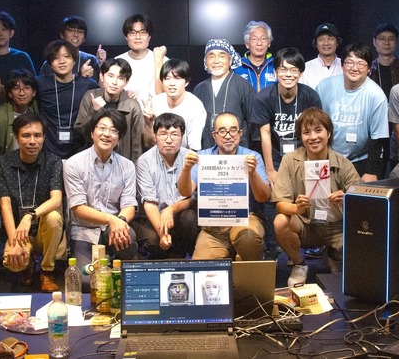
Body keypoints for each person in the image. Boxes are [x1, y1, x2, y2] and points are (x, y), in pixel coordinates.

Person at [271, 107, 361, 287]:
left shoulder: (343, 163)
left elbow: (363, 202)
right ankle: (299, 264)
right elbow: (281, 204)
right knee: (280, 221)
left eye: (318, 130)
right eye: (306, 132)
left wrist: (346, 199)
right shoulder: (290, 160)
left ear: (329, 133)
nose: (313, 137)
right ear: (300, 136)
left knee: (356, 271)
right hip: (307, 225)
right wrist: (296, 208)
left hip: (337, 227)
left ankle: (334, 254)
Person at [177, 112, 271, 261]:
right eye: (222, 131)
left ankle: (248, 259)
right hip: (213, 227)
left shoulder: (252, 157)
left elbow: (263, 197)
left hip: (246, 219)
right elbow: (185, 191)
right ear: (214, 135)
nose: (228, 136)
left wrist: (253, 173)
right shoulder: (203, 157)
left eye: (233, 130)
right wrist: (186, 169)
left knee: (248, 238)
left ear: (240, 133)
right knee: (203, 269)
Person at [0, 114, 66, 292]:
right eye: (26, 135)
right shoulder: (3, 163)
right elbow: (5, 205)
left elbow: (56, 200)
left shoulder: (53, 161)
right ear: (16, 138)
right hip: (18, 232)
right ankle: (27, 265)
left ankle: (47, 272)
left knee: (54, 217)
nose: (32, 141)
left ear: (44, 137)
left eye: (37, 135)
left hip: (43, 230)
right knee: (14, 263)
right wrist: (14, 242)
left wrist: (29, 216)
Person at [63, 108, 139, 283]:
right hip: (84, 230)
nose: (107, 134)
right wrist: (111, 219)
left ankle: (118, 260)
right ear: (92, 133)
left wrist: (120, 222)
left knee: (129, 237)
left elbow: (129, 205)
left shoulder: (127, 166)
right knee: (85, 282)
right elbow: (78, 208)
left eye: (113, 131)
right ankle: (107, 263)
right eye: (102, 128)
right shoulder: (74, 164)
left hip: (113, 230)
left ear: (119, 138)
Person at [316, 43, 389, 182]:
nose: (354, 68)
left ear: (369, 68)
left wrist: (371, 171)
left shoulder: (376, 95)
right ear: (342, 65)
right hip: (327, 157)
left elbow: (378, 137)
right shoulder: (324, 86)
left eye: (361, 64)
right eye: (349, 62)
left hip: (361, 160)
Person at [249, 47, 322, 187]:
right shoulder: (263, 98)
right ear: (275, 72)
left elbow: (315, 134)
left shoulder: (310, 96)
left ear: (300, 73)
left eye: (294, 70)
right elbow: (265, 135)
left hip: (304, 154)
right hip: (276, 156)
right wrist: (270, 170)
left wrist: (313, 163)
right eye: (283, 69)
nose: (288, 74)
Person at [133, 113, 199, 259]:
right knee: (154, 240)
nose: (169, 140)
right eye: (163, 134)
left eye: (174, 134)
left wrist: (171, 209)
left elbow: (192, 199)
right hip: (152, 216)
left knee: (190, 219)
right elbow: (149, 202)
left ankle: (180, 256)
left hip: (179, 214)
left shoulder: (190, 157)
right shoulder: (144, 161)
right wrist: (162, 234)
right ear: (155, 136)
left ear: (182, 136)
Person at [37, 39, 98, 159]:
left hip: (79, 150)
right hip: (49, 151)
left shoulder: (87, 84)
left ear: (74, 61)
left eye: (67, 56)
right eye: (56, 58)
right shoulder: (42, 83)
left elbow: (107, 95)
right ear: (50, 63)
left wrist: (127, 95)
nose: (62, 61)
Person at [75, 58, 144, 163]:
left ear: (126, 82)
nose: (114, 82)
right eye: (110, 76)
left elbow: (137, 144)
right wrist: (94, 111)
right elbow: (81, 131)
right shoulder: (90, 97)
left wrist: (134, 168)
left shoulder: (132, 106)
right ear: (101, 76)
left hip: (122, 162)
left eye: (120, 78)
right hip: (92, 161)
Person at [192, 39, 256, 150]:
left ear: (230, 60)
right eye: (211, 57)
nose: (216, 61)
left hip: (237, 151)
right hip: (207, 150)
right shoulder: (199, 88)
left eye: (222, 56)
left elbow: (253, 123)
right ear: (205, 61)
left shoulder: (243, 85)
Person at [150, 59, 207, 151]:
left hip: (183, 156)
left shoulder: (195, 107)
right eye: (167, 78)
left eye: (177, 78)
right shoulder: (155, 102)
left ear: (187, 82)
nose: (172, 83)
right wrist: (148, 123)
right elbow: (149, 144)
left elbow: (193, 148)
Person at [0, 69, 39, 160]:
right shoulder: (0, 117)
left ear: (34, 92)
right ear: (9, 93)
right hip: (7, 166)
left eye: (27, 88)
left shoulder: (36, 109)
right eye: (16, 88)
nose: (22, 93)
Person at [114, 14, 168, 107]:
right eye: (132, 33)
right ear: (126, 37)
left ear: (149, 36)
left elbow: (167, 95)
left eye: (143, 32)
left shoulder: (162, 60)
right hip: (124, 112)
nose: (138, 37)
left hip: (155, 112)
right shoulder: (117, 62)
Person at [39, 15, 106, 81]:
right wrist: (80, 75)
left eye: (80, 31)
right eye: (71, 30)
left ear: (84, 39)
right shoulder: (51, 61)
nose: (76, 35)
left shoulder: (91, 60)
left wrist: (101, 64)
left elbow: (99, 85)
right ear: (62, 35)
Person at [368, 23, 399, 102]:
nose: (386, 43)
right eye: (382, 39)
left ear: (397, 42)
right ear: (374, 42)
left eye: (391, 39)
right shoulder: (368, 70)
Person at [234, 20, 276, 91]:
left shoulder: (277, 65)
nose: (259, 43)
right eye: (254, 39)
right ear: (247, 44)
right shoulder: (236, 67)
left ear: (269, 43)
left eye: (263, 39)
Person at [300, 23, 343, 89]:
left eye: (330, 39)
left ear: (337, 42)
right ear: (316, 43)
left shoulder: (346, 66)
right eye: (321, 39)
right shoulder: (306, 68)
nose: (326, 43)